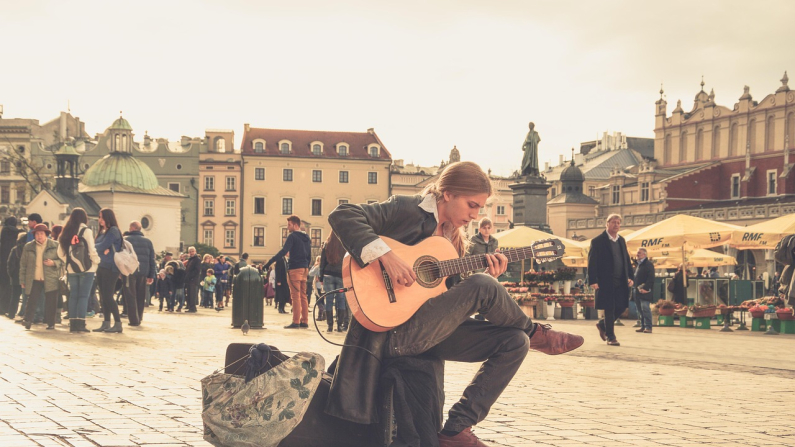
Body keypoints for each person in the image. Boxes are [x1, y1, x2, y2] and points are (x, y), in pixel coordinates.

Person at [327, 161, 584, 446]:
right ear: (447, 194)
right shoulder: (406, 209)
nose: (475, 215)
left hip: (429, 333)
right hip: (392, 333)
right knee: (486, 287)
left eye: (479, 209)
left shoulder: (452, 239)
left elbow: (443, 297)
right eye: (471, 205)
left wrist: (484, 275)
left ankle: (456, 428)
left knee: (514, 341)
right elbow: (343, 214)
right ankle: (536, 332)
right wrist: (386, 256)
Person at [588, 214, 633, 347]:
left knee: (622, 306)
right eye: (614, 222)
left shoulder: (621, 240)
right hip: (605, 280)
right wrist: (593, 280)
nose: (616, 225)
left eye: (618, 223)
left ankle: (602, 325)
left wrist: (630, 276)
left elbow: (626, 260)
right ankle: (611, 337)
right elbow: (592, 262)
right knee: (609, 308)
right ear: (607, 224)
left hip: (621, 279)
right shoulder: (598, 241)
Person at [57, 208, 101, 333]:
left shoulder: (66, 231)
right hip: (87, 269)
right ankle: (81, 323)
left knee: (74, 296)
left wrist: (69, 261)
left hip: (71, 269)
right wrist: (96, 261)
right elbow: (92, 250)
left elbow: (60, 253)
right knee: (83, 296)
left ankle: (73, 324)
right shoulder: (85, 230)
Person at [264, 215, 312, 329]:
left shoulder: (292, 236)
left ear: (295, 225)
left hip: (295, 268)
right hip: (304, 268)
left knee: (295, 296)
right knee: (303, 296)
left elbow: (284, 251)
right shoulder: (307, 237)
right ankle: (304, 321)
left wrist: (269, 262)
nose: (287, 227)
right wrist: (306, 266)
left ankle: (296, 321)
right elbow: (309, 255)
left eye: (289, 225)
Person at [19, 224, 63, 330]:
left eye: (42, 234)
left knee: (51, 301)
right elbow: (23, 264)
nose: (39, 236)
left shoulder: (55, 245)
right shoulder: (28, 246)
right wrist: (22, 279)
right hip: (34, 277)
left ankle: (51, 323)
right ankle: (28, 320)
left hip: (50, 277)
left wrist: (53, 263)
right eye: (37, 234)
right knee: (32, 300)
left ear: (46, 234)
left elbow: (62, 261)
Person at [92, 208, 124, 333]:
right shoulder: (102, 232)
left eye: (101, 217)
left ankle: (117, 323)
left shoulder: (113, 231)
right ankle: (106, 323)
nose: (99, 220)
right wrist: (100, 249)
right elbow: (99, 246)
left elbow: (101, 246)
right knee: (103, 296)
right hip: (101, 266)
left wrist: (99, 248)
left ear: (107, 218)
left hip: (111, 268)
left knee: (108, 296)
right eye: (99, 217)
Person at [121, 221, 156, 326]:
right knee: (141, 295)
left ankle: (133, 319)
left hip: (129, 271)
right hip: (143, 271)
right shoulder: (148, 242)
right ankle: (139, 317)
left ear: (131, 228)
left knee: (130, 295)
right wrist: (151, 275)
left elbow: (120, 257)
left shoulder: (125, 241)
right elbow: (152, 260)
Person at [319, 232, 347, 333]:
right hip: (341, 275)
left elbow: (322, 262)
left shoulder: (327, 244)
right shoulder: (345, 243)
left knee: (329, 300)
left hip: (328, 275)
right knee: (341, 300)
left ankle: (330, 326)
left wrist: (321, 277)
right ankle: (340, 325)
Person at [0, 217, 20, 317]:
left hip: (2, 262)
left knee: (2, 285)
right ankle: (6, 307)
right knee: (9, 286)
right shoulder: (16, 232)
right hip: (12, 262)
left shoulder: (3, 231)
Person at [633, 248, 655, 334]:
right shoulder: (639, 265)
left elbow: (651, 278)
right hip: (637, 290)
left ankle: (648, 327)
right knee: (639, 310)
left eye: (639, 253)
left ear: (644, 255)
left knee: (645, 308)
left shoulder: (648, 264)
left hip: (645, 291)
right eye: (637, 253)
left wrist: (645, 288)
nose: (637, 254)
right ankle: (643, 326)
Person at [184, 247, 201, 313]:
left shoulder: (197, 259)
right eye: (190, 251)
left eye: (192, 251)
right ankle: (190, 307)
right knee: (189, 294)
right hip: (189, 279)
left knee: (192, 294)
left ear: (195, 251)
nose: (191, 252)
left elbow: (197, 270)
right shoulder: (190, 259)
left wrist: (190, 276)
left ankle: (193, 308)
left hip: (193, 280)